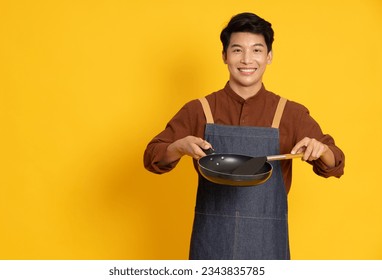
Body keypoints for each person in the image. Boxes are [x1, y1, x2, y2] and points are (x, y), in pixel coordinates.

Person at [143, 12, 345, 260]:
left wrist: (321, 151)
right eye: (237, 50)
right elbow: (152, 156)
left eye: (257, 50)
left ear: (269, 56)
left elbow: (336, 163)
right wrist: (179, 146)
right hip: (212, 244)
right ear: (225, 56)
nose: (247, 59)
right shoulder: (200, 110)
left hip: (268, 244)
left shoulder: (289, 113)